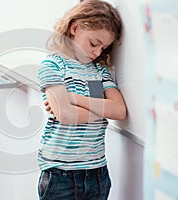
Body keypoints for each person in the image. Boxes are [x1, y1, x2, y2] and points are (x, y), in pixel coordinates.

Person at [37, 0, 127, 200]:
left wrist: (72, 98)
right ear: (75, 28)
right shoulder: (52, 65)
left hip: (97, 172)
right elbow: (66, 115)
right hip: (60, 174)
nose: (97, 52)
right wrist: (102, 109)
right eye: (94, 43)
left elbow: (119, 110)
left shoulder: (100, 70)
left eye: (103, 48)